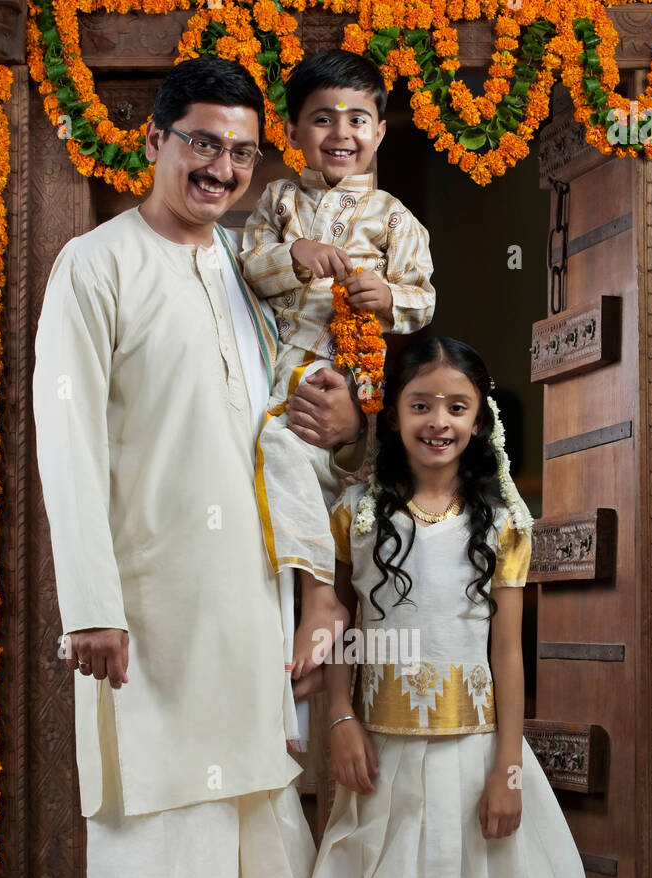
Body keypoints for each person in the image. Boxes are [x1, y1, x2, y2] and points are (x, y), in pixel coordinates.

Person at [32, 57, 366, 878]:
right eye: (202, 143)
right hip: (146, 619)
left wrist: (317, 592)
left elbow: (281, 443)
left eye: (239, 150)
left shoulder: (244, 277)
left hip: (250, 613)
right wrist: (92, 603)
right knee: (159, 836)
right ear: (157, 142)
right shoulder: (95, 267)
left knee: (261, 832)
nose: (222, 166)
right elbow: (67, 438)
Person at [264, 337, 615, 878]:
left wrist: (506, 770)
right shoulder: (357, 511)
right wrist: (341, 724)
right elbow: (340, 625)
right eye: (421, 404)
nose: (438, 421)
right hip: (382, 757)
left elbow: (505, 653)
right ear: (394, 412)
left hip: (473, 755)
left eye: (457, 406)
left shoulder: (501, 520)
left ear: (478, 417)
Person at [239, 49, 435, 725]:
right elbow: (245, 265)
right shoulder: (276, 201)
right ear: (289, 132)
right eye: (321, 119)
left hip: (347, 378)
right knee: (272, 468)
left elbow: (422, 299)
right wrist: (291, 257)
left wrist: (387, 296)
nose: (340, 133)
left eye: (357, 118)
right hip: (275, 368)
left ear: (380, 131)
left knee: (295, 456)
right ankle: (286, 690)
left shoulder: (391, 216)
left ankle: (321, 597)